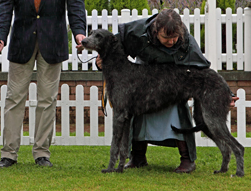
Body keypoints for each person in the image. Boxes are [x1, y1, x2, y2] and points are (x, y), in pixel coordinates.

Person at [0, 0, 87, 168]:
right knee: (14, 98)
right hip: (22, 41)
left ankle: (41, 152)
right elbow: (4, 6)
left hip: (53, 41)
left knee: (47, 100)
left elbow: (75, 4)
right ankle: (8, 154)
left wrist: (79, 32)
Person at [96, 9, 239, 173]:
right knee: (138, 113)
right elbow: (109, 46)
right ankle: (137, 157)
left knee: (175, 111)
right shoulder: (135, 31)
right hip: (142, 76)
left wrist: (228, 95)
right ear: (156, 31)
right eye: (166, 37)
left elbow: (203, 70)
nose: (171, 41)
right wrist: (100, 60)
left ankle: (187, 159)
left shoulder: (188, 43)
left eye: (175, 37)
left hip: (170, 81)